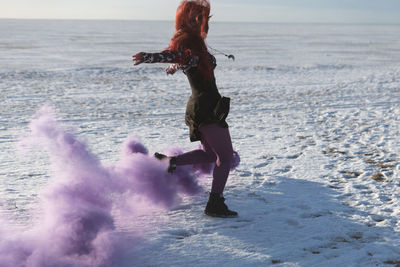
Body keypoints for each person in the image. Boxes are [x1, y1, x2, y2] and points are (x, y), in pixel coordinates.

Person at [132, 0, 237, 218]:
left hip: (205, 105)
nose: (197, 21)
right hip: (206, 107)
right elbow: (174, 54)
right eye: (192, 17)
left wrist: (173, 67)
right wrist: (151, 58)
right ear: (183, 19)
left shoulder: (195, 43)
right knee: (225, 158)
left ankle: (169, 162)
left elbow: (183, 60)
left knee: (210, 155)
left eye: (200, 17)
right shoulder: (185, 40)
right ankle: (214, 205)